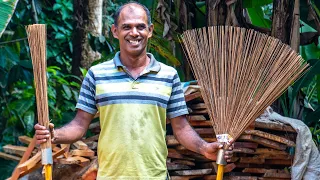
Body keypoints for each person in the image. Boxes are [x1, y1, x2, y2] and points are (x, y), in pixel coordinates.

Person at [35, 2, 233, 179]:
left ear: (151, 30)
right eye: (126, 27)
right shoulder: (97, 74)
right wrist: (54, 136)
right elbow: (79, 125)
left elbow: (181, 128)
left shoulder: (168, 75)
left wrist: (204, 148)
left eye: (140, 26)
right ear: (114, 31)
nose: (134, 33)